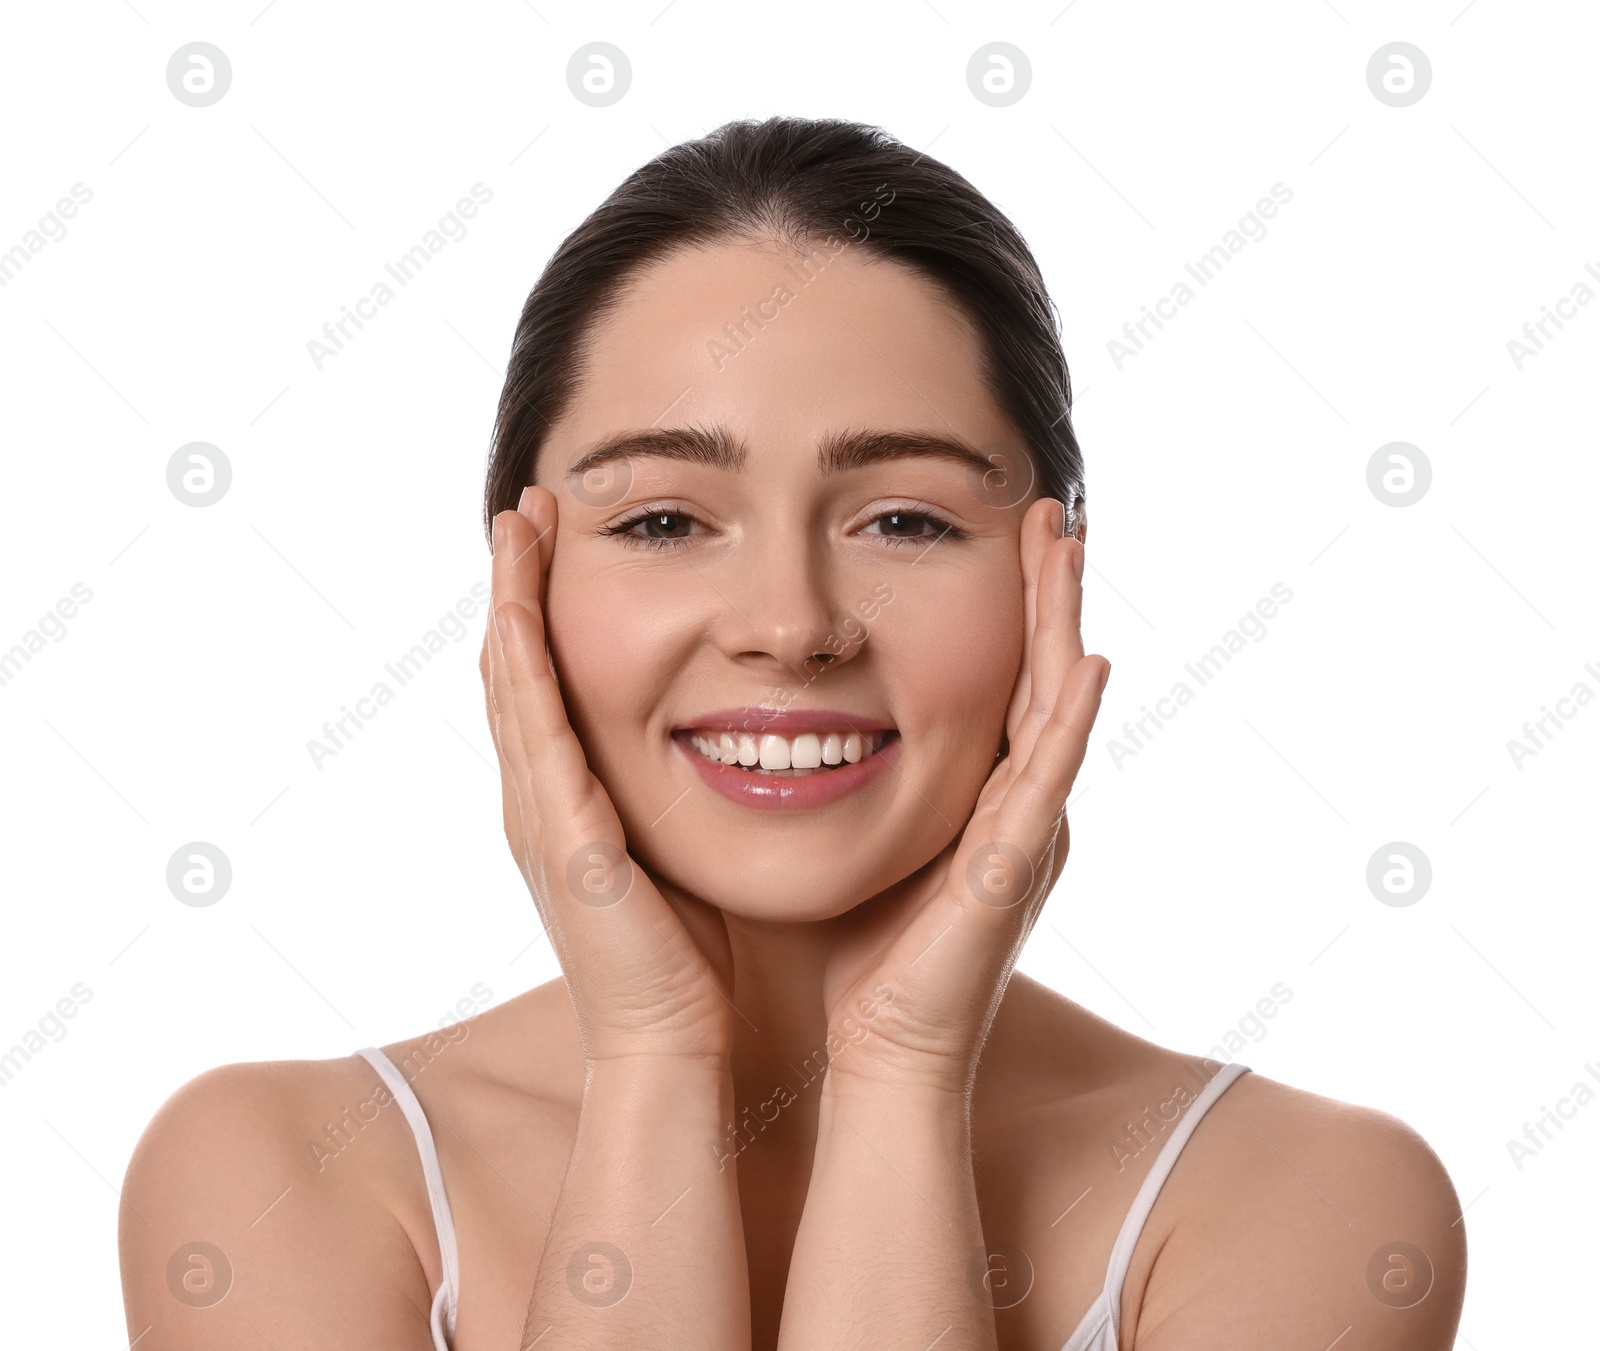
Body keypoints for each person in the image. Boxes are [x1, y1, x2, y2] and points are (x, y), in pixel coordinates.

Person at [119, 116, 1466, 1350]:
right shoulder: (276, 1176)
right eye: (662, 521)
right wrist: (650, 1054)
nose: (791, 626)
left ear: (1051, 579)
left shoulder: (1302, 1198)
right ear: (519, 586)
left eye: (905, 521)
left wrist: (904, 1070)